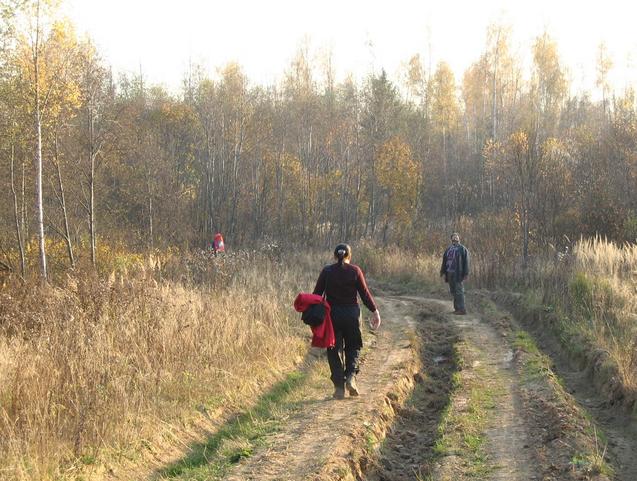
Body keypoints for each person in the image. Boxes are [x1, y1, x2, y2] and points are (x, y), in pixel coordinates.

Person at [313, 243, 381, 400]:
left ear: (335, 255)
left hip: (332, 316)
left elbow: (316, 295)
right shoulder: (355, 271)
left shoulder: (327, 271)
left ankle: (338, 387)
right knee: (354, 346)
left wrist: (314, 316)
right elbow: (364, 294)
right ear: (349, 256)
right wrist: (375, 311)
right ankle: (350, 377)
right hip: (352, 315)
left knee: (333, 349)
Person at [440, 232, 470, 315]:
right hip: (449, 273)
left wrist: (466, 273)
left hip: (458, 273)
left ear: (459, 239)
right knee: (453, 291)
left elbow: (466, 262)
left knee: (459, 291)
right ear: (451, 239)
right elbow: (444, 261)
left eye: (456, 237)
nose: (455, 238)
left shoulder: (462, 249)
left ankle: (462, 309)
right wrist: (442, 271)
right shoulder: (448, 249)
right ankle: (457, 309)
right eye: (453, 237)